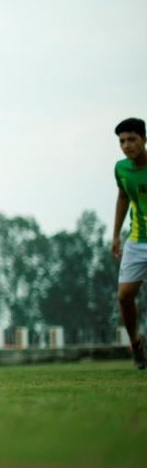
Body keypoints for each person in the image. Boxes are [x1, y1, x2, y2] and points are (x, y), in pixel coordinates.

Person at [111, 117, 146, 370]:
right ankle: (136, 344)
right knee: (124, 297)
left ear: (144, 139)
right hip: (136, 240)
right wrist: (115, 234)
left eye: (132, 139)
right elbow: (123, 196)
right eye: (122, 141)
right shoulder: (121, 169)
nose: (126, 145)